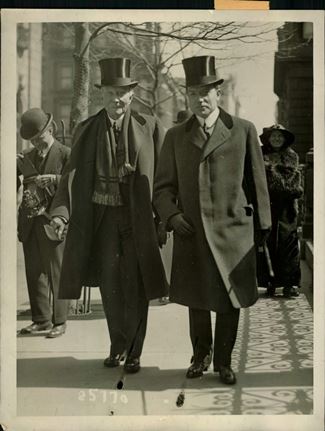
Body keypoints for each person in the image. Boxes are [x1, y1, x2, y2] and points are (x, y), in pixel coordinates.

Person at [153, 56, 271, 385]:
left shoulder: (242, 130)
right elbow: (162, 188)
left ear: (218, 94)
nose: (200, 100)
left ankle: (223, 362)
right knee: (198, 299)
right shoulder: (176, 136)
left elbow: (257, 183)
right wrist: (172, 216)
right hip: (192, 232)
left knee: (229, 299)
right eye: (193, 94)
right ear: (187, 97)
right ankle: (199, 356)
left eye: (206, 92)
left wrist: (262, 228)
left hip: (234, 232)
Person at [50, 58, 168, 374]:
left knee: (137, 285)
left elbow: (163, 180)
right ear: (102, 95)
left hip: (137, 219)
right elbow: (69, 177)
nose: (117, 100)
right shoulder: (86, 130)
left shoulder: (151, 126)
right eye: (111, 94)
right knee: (110, 286)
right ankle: (117, 345)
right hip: (100, 221)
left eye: (123, 93)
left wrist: (165, 217)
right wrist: (60, 214)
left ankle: (134, 351)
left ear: (132, 94)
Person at [17, 108, 71, 338]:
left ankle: (60, 321)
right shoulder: (27, 157)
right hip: (30, 221)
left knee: (57, 271)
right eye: (32, 140)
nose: (36, 144)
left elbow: (75, 183)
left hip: (54, 219)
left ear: (50, 130)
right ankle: (41, 319)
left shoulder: (66, 153)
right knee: (34, 271)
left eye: (39, 138)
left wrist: (56, 179)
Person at [259, 124, 303, 298]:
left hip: (286, 206)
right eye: (273, 136)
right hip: (267, 204)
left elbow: (289, 184)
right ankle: (270, 281)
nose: (276, 139)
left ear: (284, 139)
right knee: (268, 241)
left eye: (279, 136)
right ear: (268, 139)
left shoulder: (291, 156)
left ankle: (290, 283)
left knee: (288, 242)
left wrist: (270, 169)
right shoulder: (261, 155)